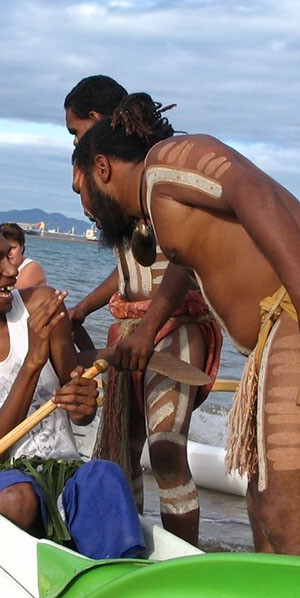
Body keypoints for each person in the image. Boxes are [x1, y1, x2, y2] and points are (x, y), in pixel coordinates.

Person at [72, 93, 300, 560]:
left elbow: (253, 194)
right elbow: (194, 265)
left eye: (79, 188)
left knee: (286, 517)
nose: (84, 204)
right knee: (265, 509)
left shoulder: (167, 163)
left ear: (102, 168)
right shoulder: (162, 207)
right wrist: (147, 330)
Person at [0, 211, 145, 560]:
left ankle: (119, 577)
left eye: (9, 255)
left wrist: (83, 404)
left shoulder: (39, 304)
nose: (11, 270)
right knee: (19, 499)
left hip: (64, 470)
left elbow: (77, 409)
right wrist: (33, 361)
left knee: (106, 475)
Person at [64, 75, 223, 545]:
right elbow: (131, 266)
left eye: (75, 131)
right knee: (122, 450)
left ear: (96, 122)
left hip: (174, 325)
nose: (74, 142)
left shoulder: (156, 174)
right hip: (129, 330)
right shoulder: (117, 184)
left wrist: (147, 326)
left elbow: (185, 260)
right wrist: (82, 311)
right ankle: (125, 546)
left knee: (167, 448)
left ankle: (183, 558)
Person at [0, 222, 46, 288]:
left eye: (12, 248)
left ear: (22, 248)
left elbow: (16, 296)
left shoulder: (32, 268)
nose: (9, 252)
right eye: (4, 248)